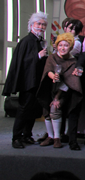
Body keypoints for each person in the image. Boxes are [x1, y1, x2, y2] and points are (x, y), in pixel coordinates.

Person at [3, 12, 49, 149]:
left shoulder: (40, 41)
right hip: (27, 82)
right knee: (24, 109)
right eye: (38, 24)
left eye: (43, 25)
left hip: (37, 81)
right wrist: (38, 56)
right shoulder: (26, 41)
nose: (41, 27)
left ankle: (27, 135)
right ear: (31, 25)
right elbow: (21, 62)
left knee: (34, 109)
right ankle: (16, 137)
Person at [37, 32, 83, 150]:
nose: (63, 48)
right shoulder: (52, 58)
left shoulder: (73, 61)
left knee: (55, 108)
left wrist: (58, 98)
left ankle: (57, 138)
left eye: (66, 45)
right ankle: (50, 136)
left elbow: (70, 82)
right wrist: (53, 76)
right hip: (49, 88)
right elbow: (48, 70)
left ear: (71, 47)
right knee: (46, 110)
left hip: (64, 92)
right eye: (60, 45)